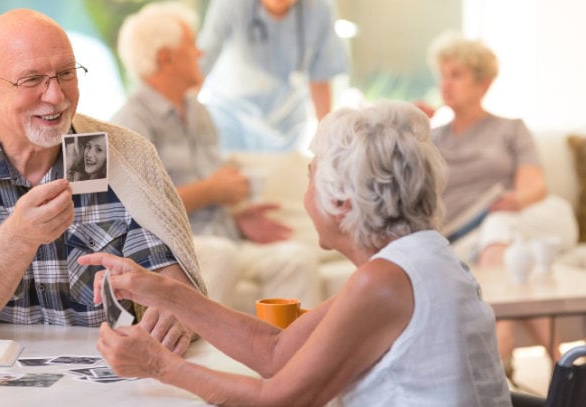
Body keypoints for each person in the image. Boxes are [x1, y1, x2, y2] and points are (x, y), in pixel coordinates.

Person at [80, 102, 512, 406]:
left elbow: (281, 399)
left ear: (341, 202)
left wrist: (159, 365)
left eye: (309, 179)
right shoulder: (414, 259)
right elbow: (276, 350)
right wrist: (160, 290)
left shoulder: (385, 281)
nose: (304, 196)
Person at [0, 9, 205, 355]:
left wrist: (173, 314)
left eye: (66, 73)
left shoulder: (117, 159)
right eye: (31, 79)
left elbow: (181, 296)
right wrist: (18, 236)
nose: (56, 97)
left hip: (104, 379)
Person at [110, 2, 322, 311]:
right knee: (223, 255)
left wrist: (237, 220)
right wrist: (211, 191)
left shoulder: (199, 112)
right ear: (165, 57)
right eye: (190, 46)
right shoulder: (130, 122)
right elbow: (135, 211)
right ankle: (190, 351)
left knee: (296, 259)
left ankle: (294, 355)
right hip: (173, 252)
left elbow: (212, 195)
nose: (200, 53)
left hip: (222, 239)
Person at [422, 33, 579, 379]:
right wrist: (412, 130)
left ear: (484, 83)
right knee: (504, 248)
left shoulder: (510, 129)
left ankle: (503, 346)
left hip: (514, 219)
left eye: (456, 75)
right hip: (462, 236)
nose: (445, 83)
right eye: (443, 74)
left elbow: (533, 185)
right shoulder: (431, 138)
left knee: (499, 225)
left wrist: (516, 200)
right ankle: (562, 366)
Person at [197, 0, 348, 153]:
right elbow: (203, 61)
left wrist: (327, 142)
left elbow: (320, 79)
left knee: (285, 173)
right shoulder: (231, 4)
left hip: (288, 123)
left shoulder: (319, 8)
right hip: (231, 117)